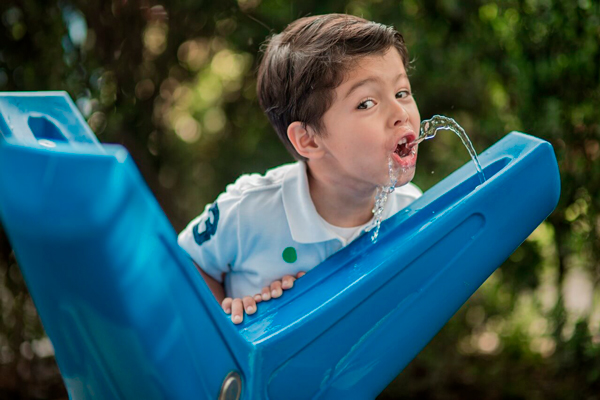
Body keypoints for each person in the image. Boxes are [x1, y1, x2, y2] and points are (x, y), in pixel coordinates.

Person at [178, 13, 423, 324]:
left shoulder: (410, 210)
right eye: (366, 103)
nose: (401, 113)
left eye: (402, 92)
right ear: (308, 140)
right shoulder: (249, 210)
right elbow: (184, 265)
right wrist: (227, 318)